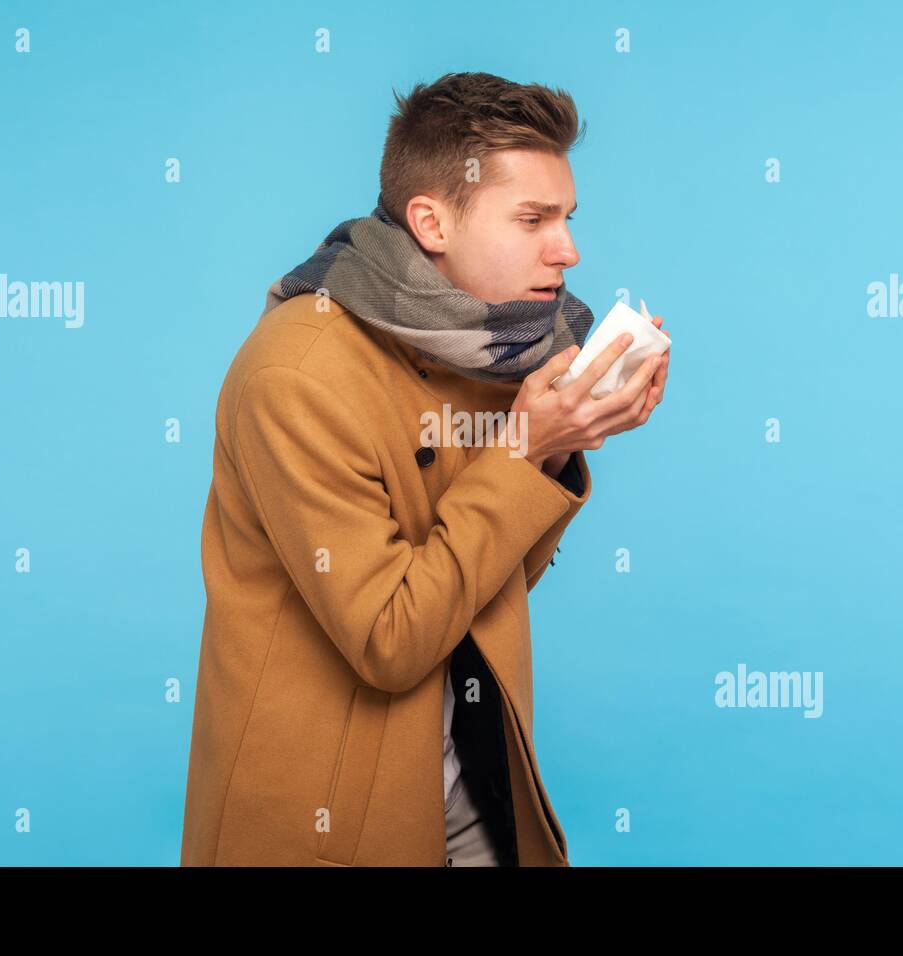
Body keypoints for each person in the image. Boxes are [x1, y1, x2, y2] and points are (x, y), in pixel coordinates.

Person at [180, 71, 670, 867]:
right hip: (331, 821)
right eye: (533, 218)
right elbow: (392, 637)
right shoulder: (298, 374)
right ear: (432, 221)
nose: (569, 249)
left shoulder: (487, 351)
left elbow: (480, 587)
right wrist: (524, 449)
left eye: (567, 218)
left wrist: (562, 437)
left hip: (476, 783)